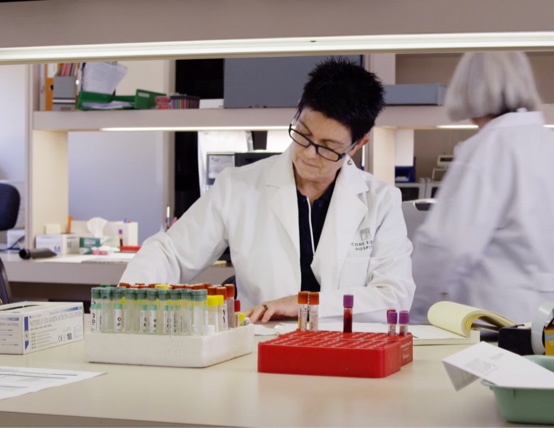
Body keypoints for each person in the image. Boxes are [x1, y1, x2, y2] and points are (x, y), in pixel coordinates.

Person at [119, 57, 415, 323]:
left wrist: (303, 304)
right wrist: (127, 300)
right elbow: (171, 252)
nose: (309, 154)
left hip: (347, 351)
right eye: (303, 134)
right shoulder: (238, 187)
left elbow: (394, 296)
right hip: (258, 347)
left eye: (328, 147)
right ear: (298, 110)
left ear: (358, 144)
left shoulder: (380, 201)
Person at [411, 51, 554, 324]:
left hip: (496, 316)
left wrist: (416, 312)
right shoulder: (547, 142)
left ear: (468, 87)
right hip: (544, 316)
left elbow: (446, 246)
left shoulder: (487, 149)